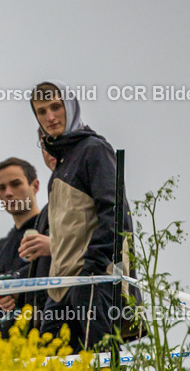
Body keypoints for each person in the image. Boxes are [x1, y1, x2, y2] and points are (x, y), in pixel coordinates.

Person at [29, 80, 134, 350]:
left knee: (101, 365)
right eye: (41, 111)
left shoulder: (93, 150)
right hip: (60, 287)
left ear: (70, 106)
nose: (50, 117)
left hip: (92, 280)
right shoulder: (60, 168)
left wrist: (92, 269)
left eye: (55, 107)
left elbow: (115, 212)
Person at [0, 157, 51, 337]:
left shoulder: (52, 229)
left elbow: (56, 270)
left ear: (35, 186)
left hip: (48, 340)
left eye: (16, 184)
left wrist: (7, 287)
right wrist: (1, 295)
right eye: (2, 188)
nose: (8, 192)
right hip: (4, 351)